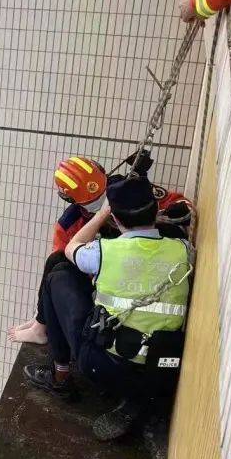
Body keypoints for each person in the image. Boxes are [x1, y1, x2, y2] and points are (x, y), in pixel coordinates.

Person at [23, 175, 193, 441]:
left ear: (115, 218)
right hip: (163, 365)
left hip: (108, 367)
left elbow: (70, 248)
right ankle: (141, 399)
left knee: (57, 274)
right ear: (154, 209)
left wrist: (102, 214)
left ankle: (60, 377)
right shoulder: (183, 249)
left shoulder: (104, 251)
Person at [9, 153, 193, 345]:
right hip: (112, 281)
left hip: (154, 262)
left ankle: (40, 323)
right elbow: (61, 266)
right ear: (72, 200)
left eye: (103, 194)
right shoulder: (69, 225)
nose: (103, 203)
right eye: (93, 201)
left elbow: (176, 203)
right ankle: (40, 322)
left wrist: (179, 210)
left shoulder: (124, 187)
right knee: (57, 262)